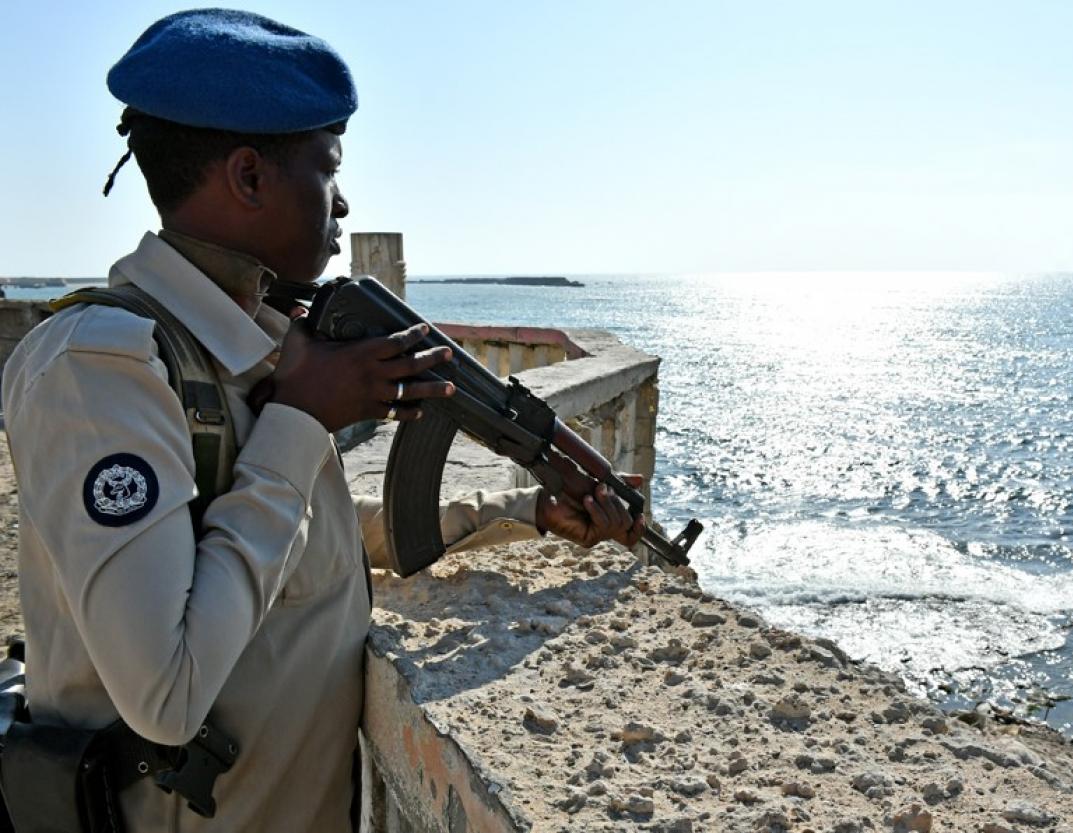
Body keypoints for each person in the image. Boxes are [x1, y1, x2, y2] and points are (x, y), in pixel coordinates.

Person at [1, 9, 641, 832]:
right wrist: (303, 417)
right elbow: (167, 691)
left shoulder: (253, 344)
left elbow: (300, 538)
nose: (345, 203)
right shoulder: (100, 366)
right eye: (328, 167)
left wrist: (522, 514)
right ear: (249, 177)